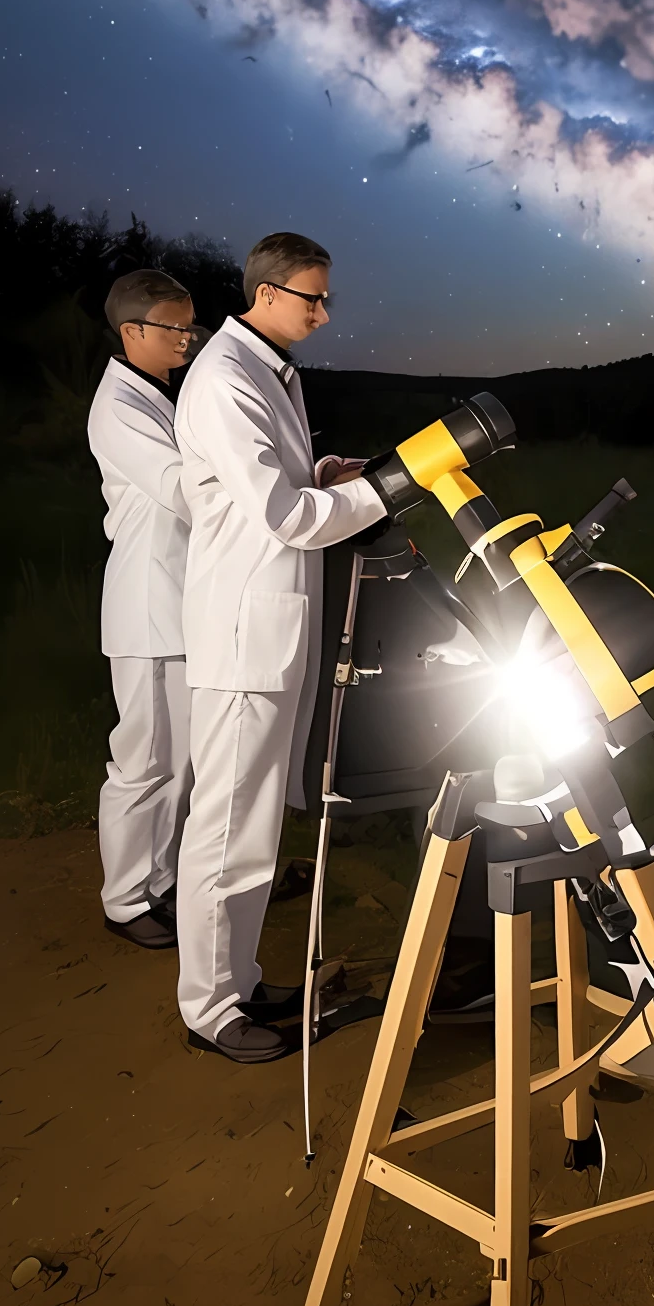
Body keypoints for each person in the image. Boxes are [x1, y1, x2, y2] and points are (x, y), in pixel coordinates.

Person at [173, 233, 388, 1064]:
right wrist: (381, 495)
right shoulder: (226, 379)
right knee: (225, 826)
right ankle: (208, 1009)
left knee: (254, 828)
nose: (324, 312)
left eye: (326, 297)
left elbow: (283, 482)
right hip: (240, 637)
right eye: (313, 297)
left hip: (272, 632)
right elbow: (285, 515)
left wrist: (331, 469)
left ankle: (241, 977)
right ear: (266, 293)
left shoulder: (266, 369)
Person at [88, 269, 200, 951]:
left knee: (179, 761)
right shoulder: (120, 407)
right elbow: (185, 488)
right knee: (143, 761)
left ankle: (161, 882)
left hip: (179, 603)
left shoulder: (157, 395)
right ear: (132, 333)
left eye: (191, 325)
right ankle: (125, 898)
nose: (187, 339)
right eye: (174, 328)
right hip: (149, 606)